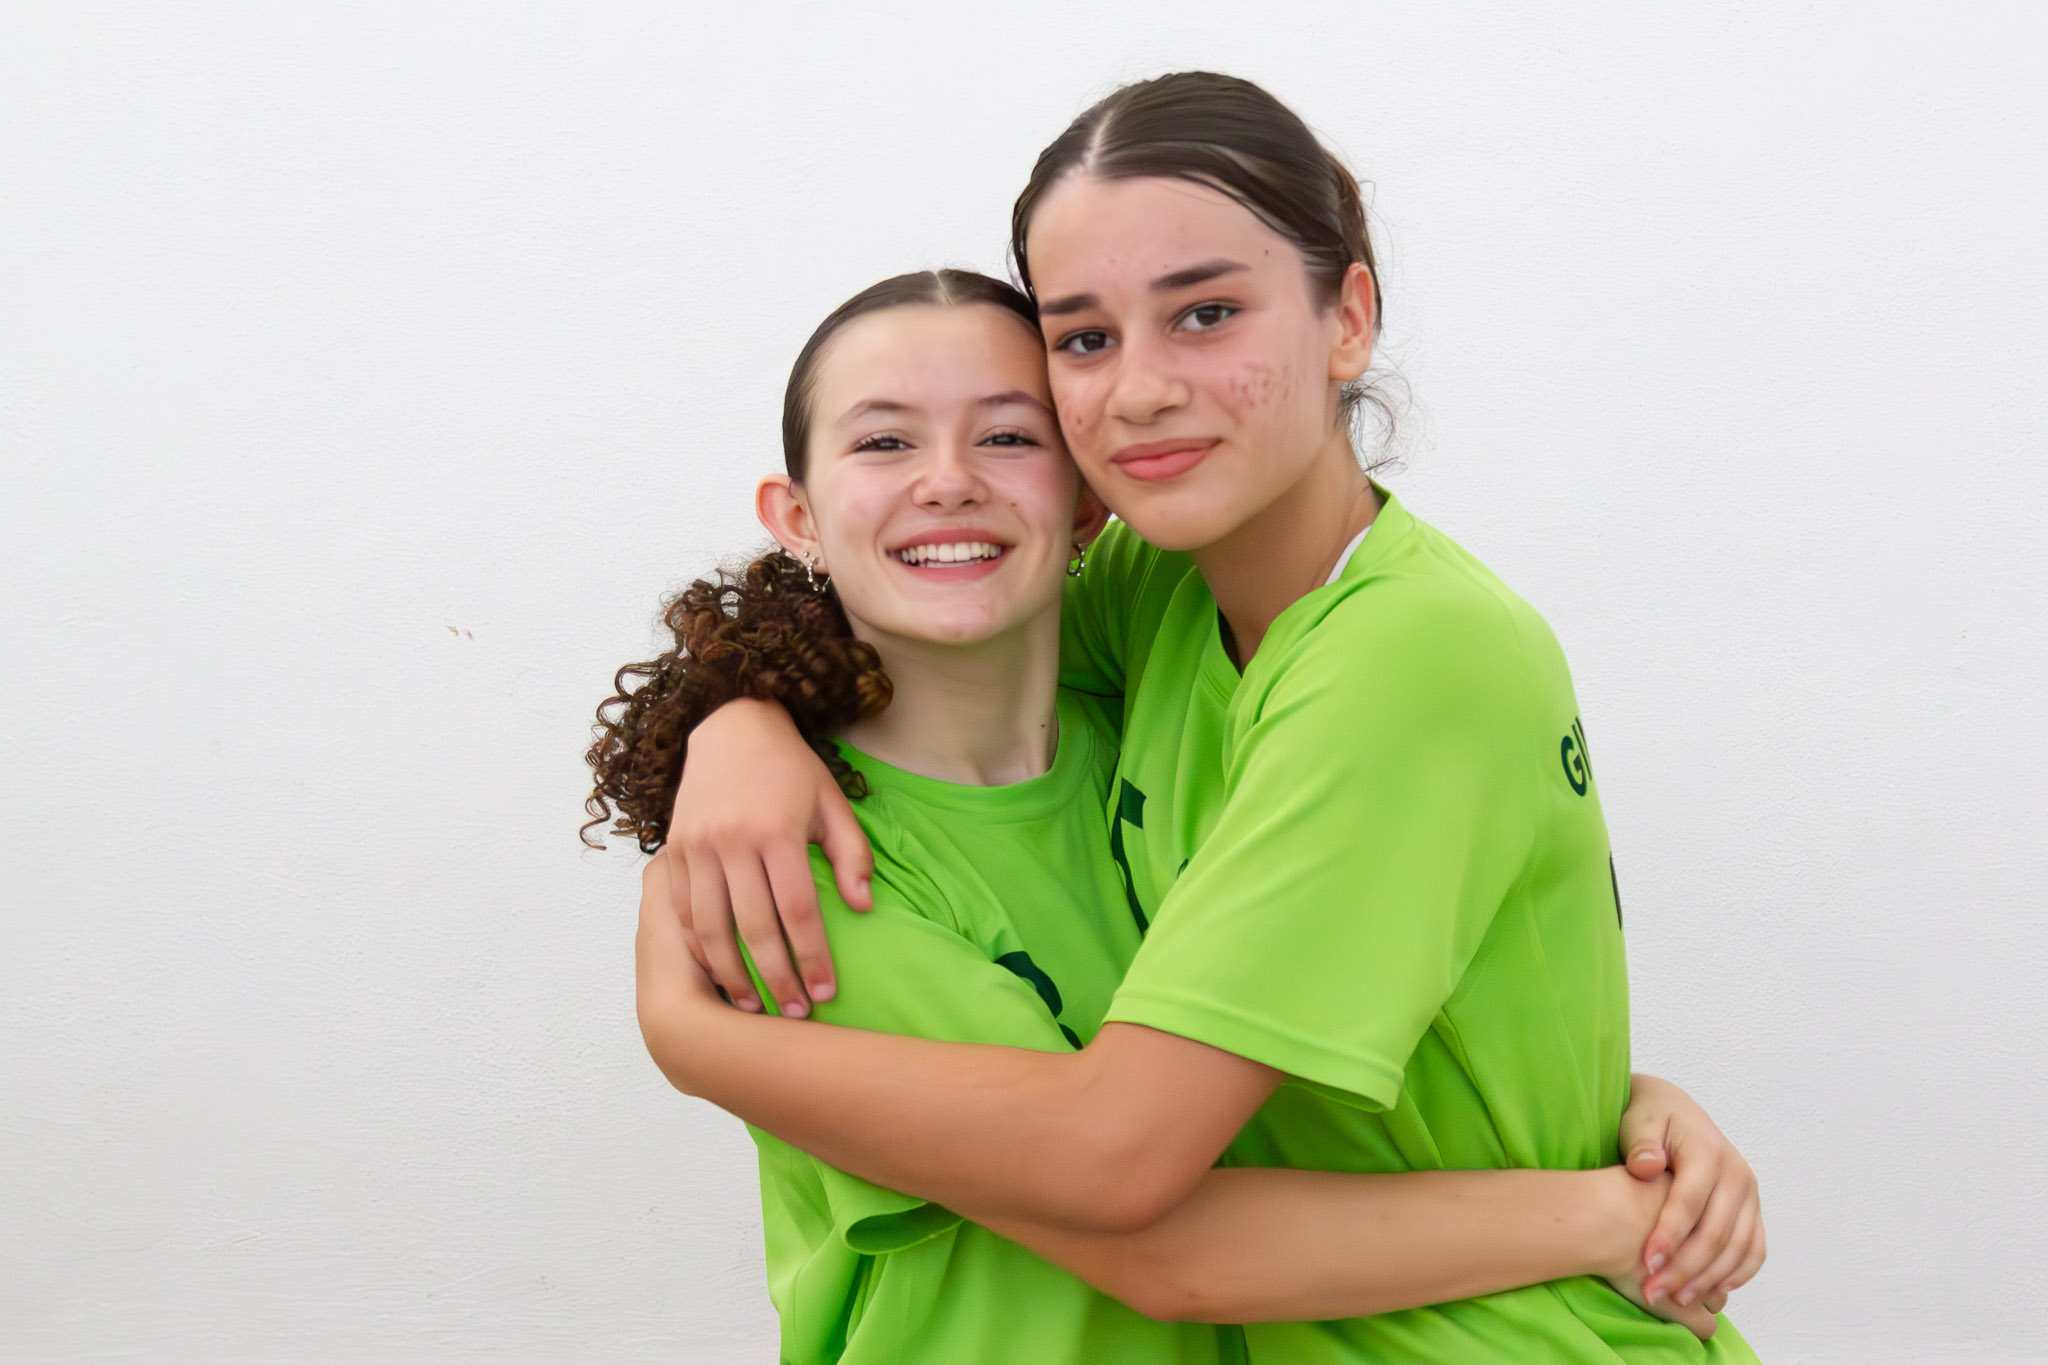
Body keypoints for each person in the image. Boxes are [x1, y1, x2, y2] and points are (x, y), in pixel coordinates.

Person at [642, 74, 1764, 1362]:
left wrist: (691, 1039)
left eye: (1207, 313)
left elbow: (1119, 1162)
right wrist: (731, 726)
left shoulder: (1409, 655)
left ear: (1349, 316)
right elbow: (944, 616)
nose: (1140, 391)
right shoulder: (1157, 595)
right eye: (1083, 338)